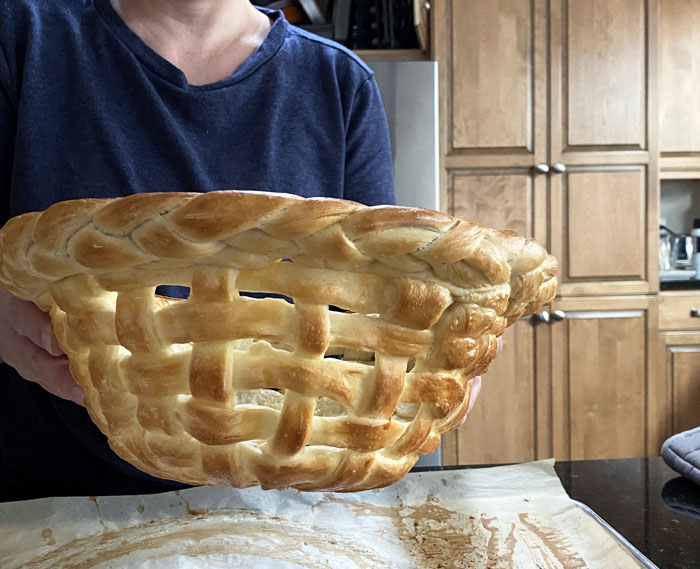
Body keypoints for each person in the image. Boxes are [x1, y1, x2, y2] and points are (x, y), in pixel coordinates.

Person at [0, 0, 482, 500]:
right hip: (53, 496)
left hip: (290, 499)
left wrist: (439, 342)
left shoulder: (338, 83)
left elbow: (378, 300)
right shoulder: (22, 40)